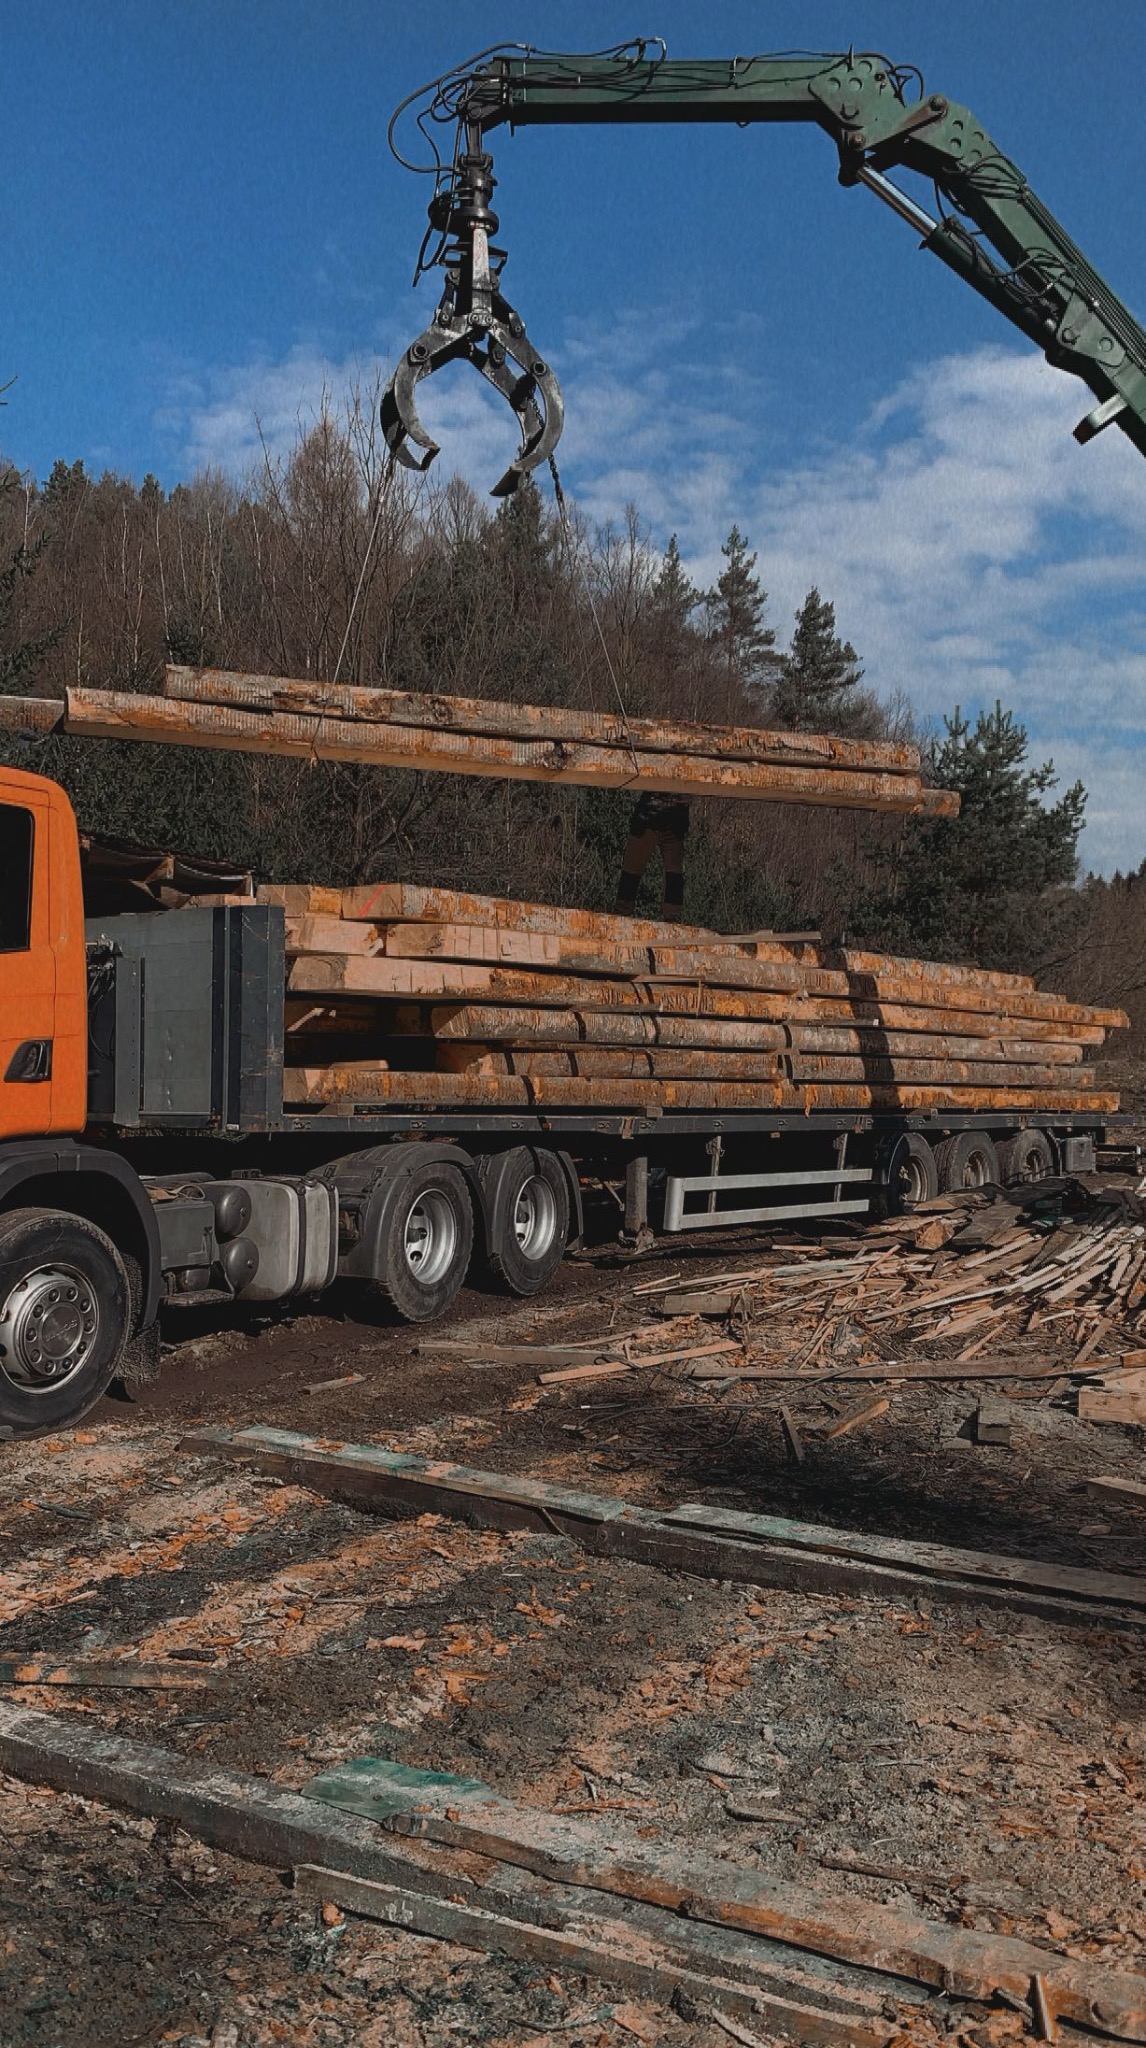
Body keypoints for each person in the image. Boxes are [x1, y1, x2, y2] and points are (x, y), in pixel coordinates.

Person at [614, 791, 691, 922]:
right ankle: (621, 919)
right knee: (631, 870)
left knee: (674, 874)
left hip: (674, 818)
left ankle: (672, 923)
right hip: (648, 816)